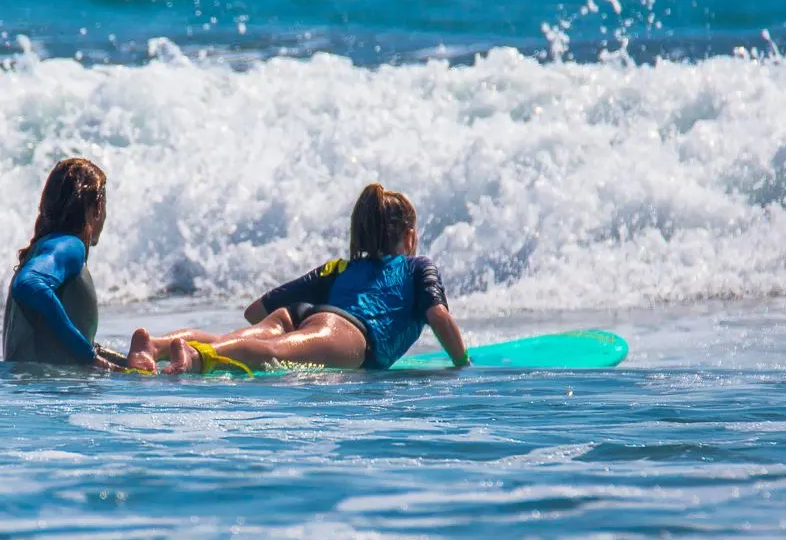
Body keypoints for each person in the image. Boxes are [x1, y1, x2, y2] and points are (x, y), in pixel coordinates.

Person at [127, 183, 469, 375]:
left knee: (239, 338)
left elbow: (256, 310)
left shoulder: (339, 268)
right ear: (409, 236)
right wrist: (461, 364)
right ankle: (196, 357)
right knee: (272, 352)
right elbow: (438, 316)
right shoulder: (417, 266)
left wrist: (302, 328)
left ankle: (154, 345)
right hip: (347, 332)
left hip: (300, 313)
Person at [2, 157, 123, 370]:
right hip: (50, 394)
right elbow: (28, 283)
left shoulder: (43, 248)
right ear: (97, 207)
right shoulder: (69, 245)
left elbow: (58, 344)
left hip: (29, 393)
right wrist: (88, 356)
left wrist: (122, 363)